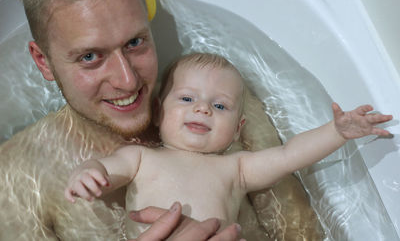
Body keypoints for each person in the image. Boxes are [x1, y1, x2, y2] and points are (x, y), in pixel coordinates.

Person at [0, 0, 242, 240]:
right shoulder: (16, 180)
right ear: (43, 61)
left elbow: (294, 224)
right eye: (90, 57)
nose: (127, 81)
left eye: (135, 42)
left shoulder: (219, 101)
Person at [65, 53, 393, 239]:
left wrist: (337, 132)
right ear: (158, 111)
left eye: (219, 106)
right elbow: (108, 171)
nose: (203, 108)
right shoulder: (139, 157)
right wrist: (89, 172)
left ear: (238, 129)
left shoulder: (235, 167)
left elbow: (289, 155)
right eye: (187, 98)